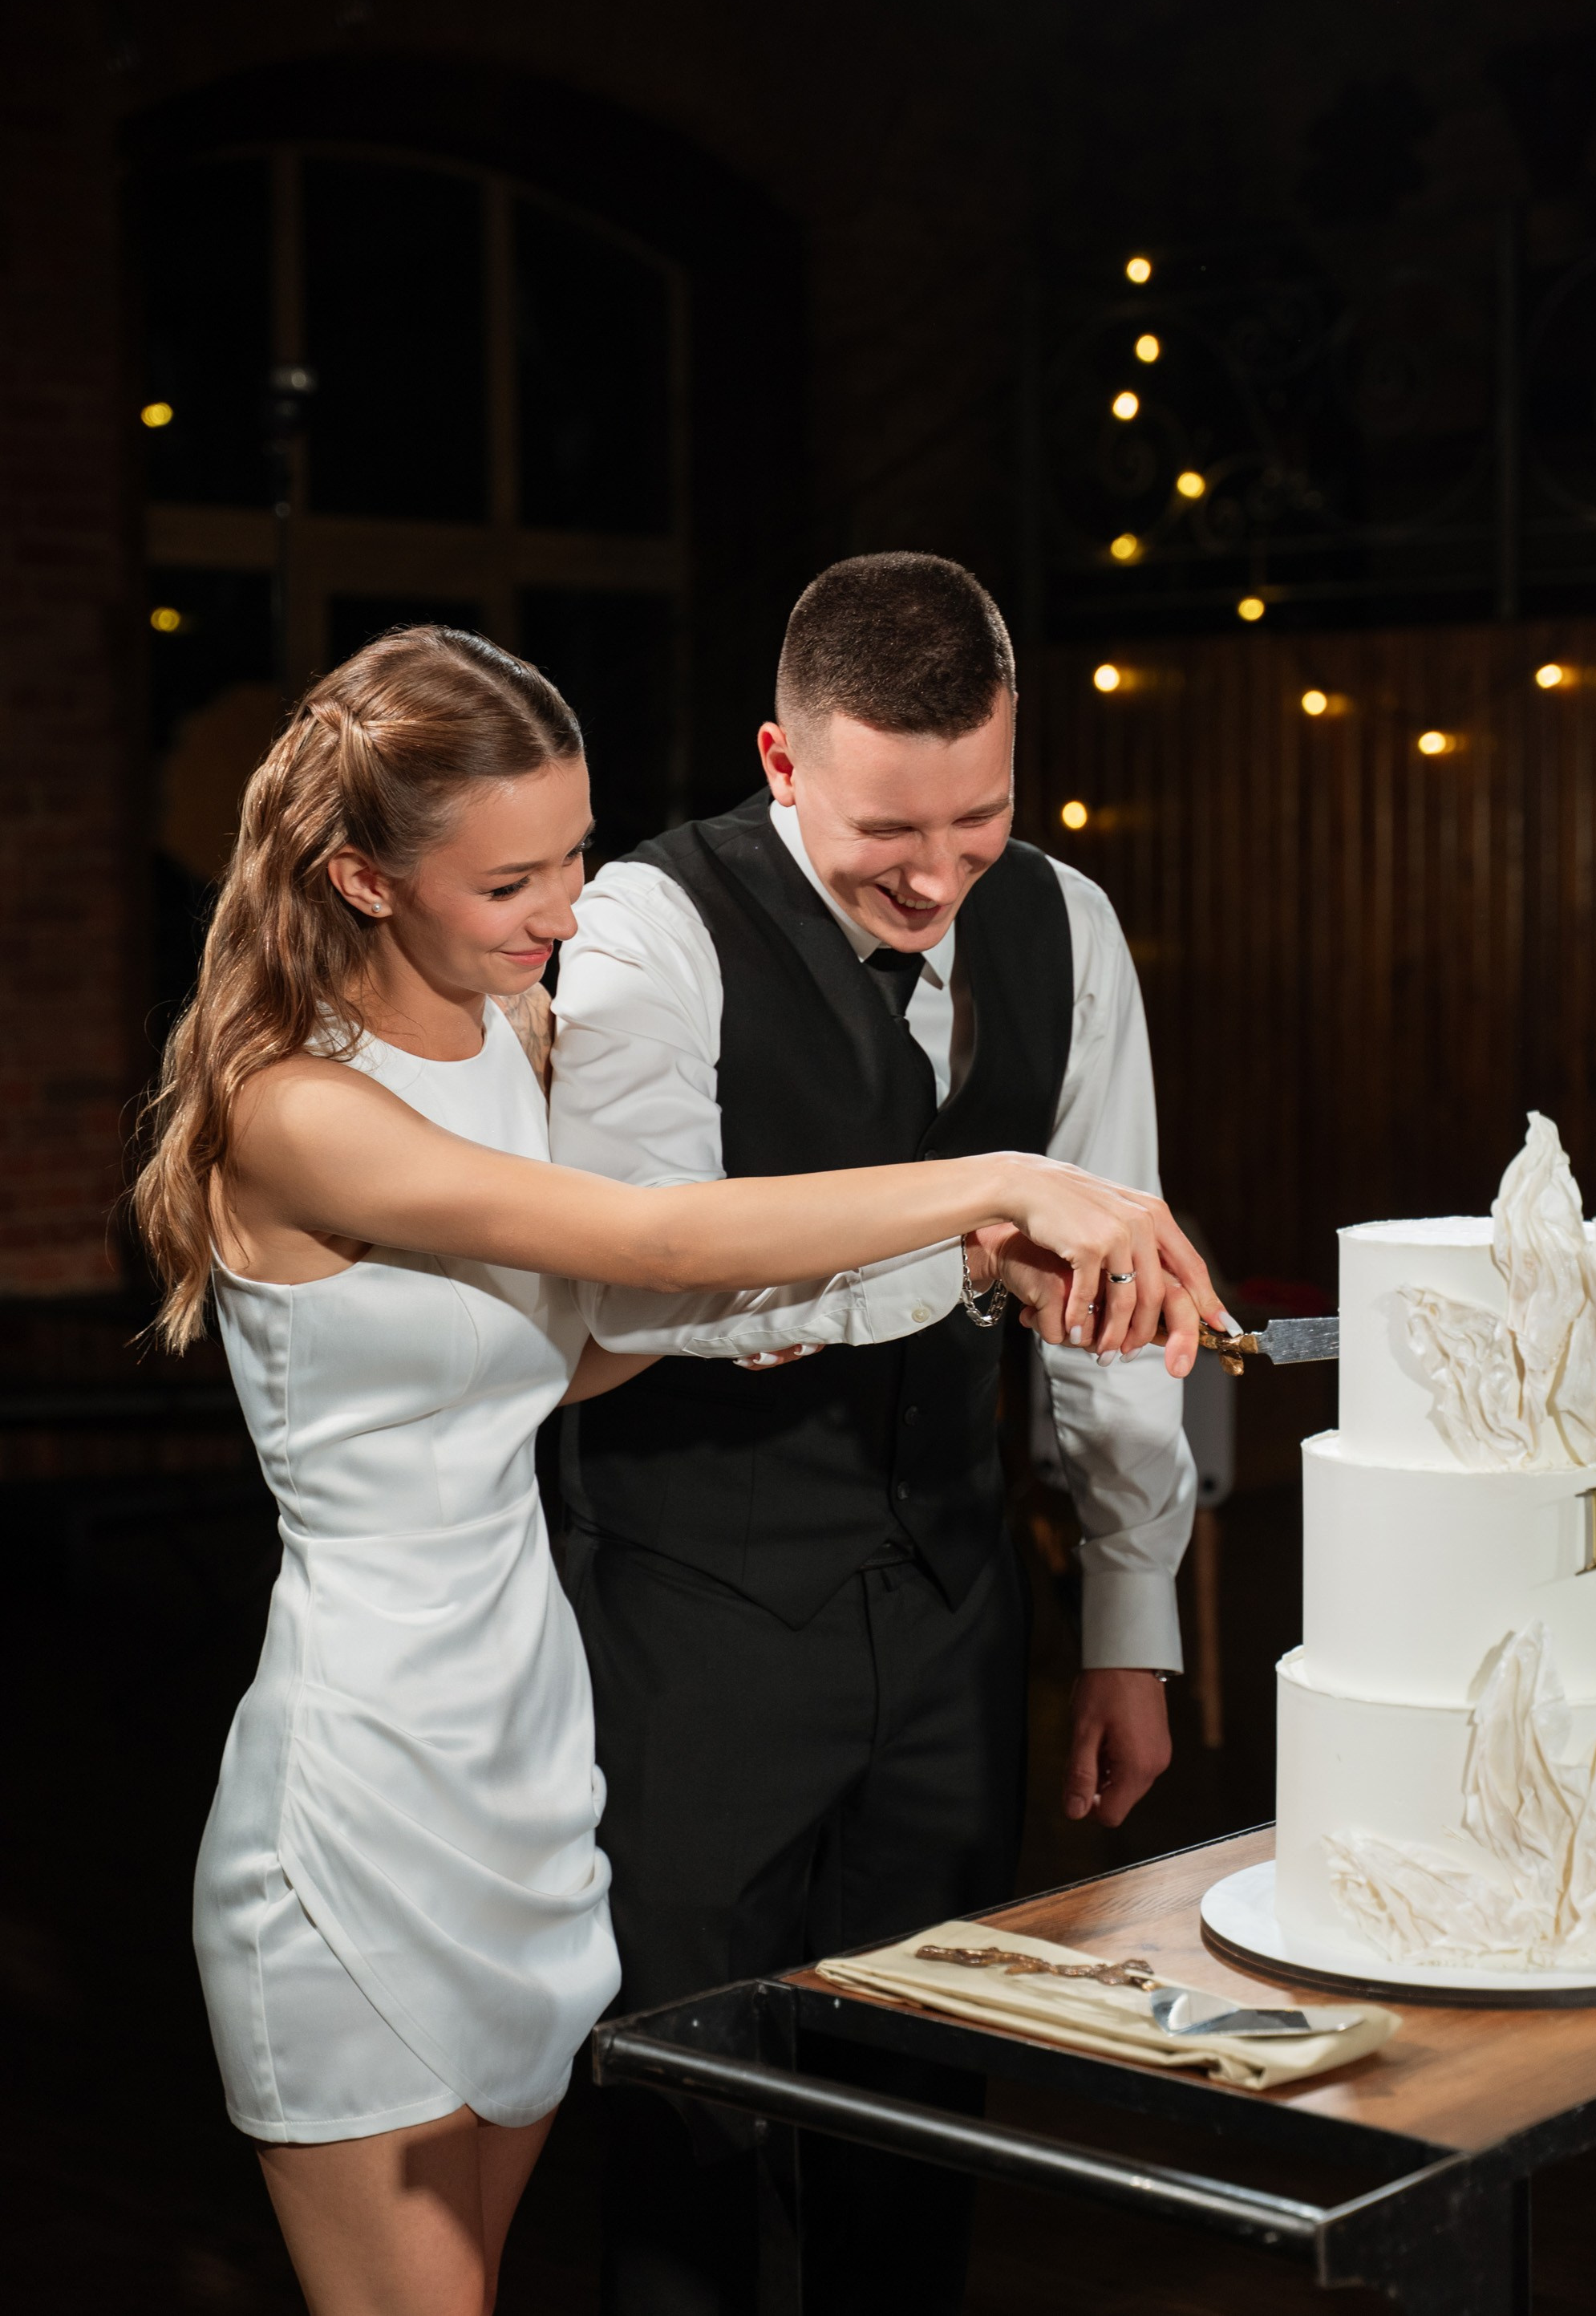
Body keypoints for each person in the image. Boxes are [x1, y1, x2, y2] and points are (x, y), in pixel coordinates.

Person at [133, 624, 1220, 2316]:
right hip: (365, 1775)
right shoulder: (296, 1112)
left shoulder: (507, 1040)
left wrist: (977, 1271)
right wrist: (992, 1179)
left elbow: (614, 1329)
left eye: (572, 852)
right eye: (512, 881)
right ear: (357, 875)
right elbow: (639, 1231)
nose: (568, 910)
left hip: (524, 1761)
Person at [551, 553, 1221, 2316]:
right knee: (683, 2127)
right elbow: (627, 1285)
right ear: (781, 763)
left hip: (949, 1611)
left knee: (924, 2128)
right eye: (883, 835)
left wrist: (1127, 1629)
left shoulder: (1064, 923)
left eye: (979, 821)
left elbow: (1118, 1306)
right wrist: (955, 1250)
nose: (935, 877)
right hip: (689, 1619)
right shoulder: (647, 923)